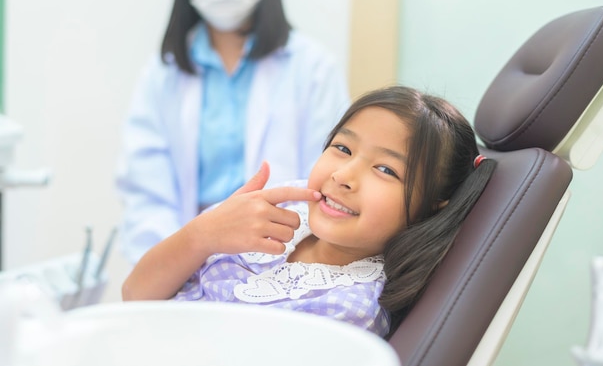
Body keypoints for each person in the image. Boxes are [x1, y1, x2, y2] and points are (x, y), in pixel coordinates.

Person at [122, 85, 497, 339]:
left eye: (386, 170)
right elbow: (135, 295)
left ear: (433, 204)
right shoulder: (279, 210)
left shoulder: (349, 310)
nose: (343, 175)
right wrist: (203, 234)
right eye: (342, 148)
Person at [116, 0, 350, 264]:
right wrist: (175, 261)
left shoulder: (313, 68)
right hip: (184, 259)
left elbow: (323, 184)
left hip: (284, 256)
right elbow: (147, 191)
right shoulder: (163, 74)